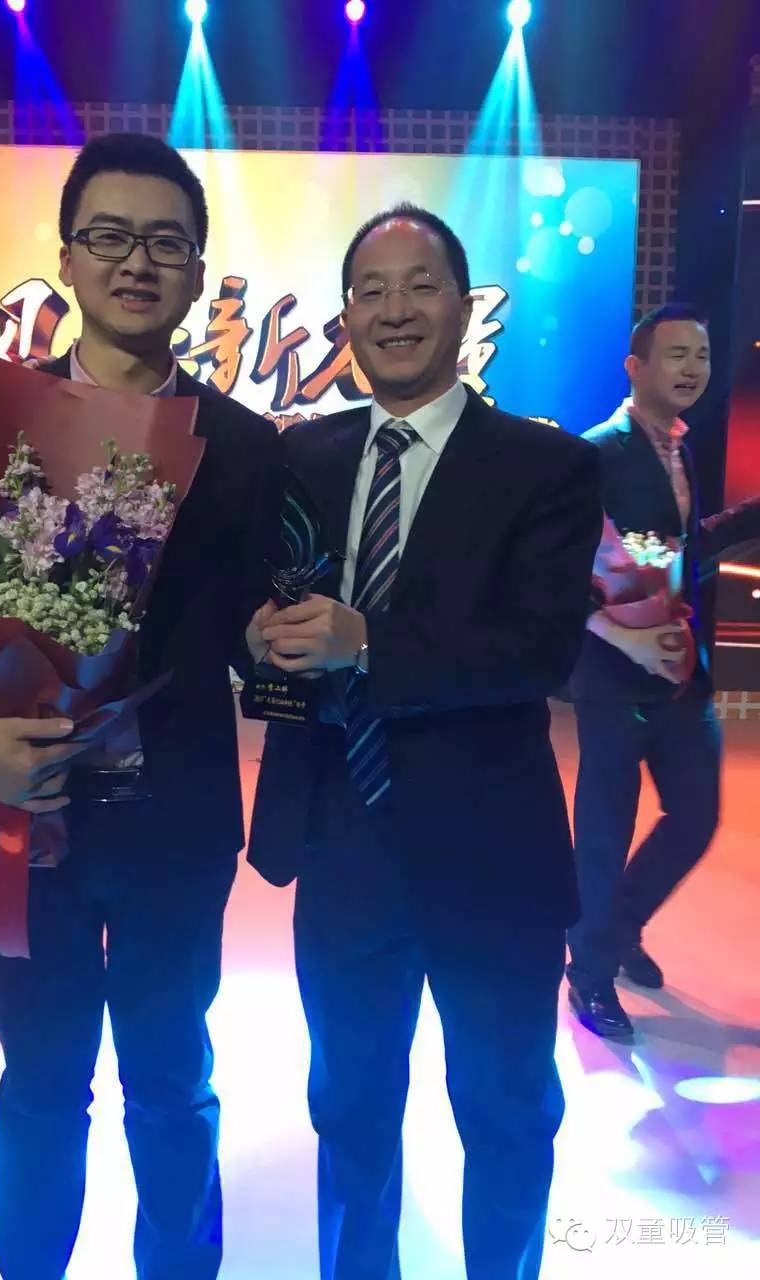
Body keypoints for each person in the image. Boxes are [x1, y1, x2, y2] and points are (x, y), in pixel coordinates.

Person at [0, 133, 278, 1280]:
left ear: (196, 272)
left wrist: (271, 640)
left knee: (172, 1079)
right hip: (24, 821)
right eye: (110, 235)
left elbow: (249, 623)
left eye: (166, 243)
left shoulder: (246, 450)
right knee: (41, 1082)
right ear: (67, 258)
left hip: (175, 826)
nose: (136, 262)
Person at [245, 203, 602, 1280]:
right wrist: (253, 638)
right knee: (349, 1107)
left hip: (491, 852)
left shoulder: (545, 465)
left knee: (506, 1109)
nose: (393, 309)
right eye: (370, 290)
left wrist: (365, 642)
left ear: (463, 305)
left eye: (419, 285)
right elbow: (265, 603)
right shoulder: (302, 455)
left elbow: (537, 650)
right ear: (347, 314)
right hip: (342, 840)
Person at [566, 303, 760, 1039]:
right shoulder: (596, 453)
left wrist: (750, 517)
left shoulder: (680, 447)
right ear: (635, 366)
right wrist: (620, 633)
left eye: (701, 356)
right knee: (605, 830)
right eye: (676, 354)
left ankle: (618, 929)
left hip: (680, 668)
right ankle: (588, 974)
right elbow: (559, 569)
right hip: (612, 672)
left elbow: (675, 551)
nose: (692, 369)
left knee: (696, 815)